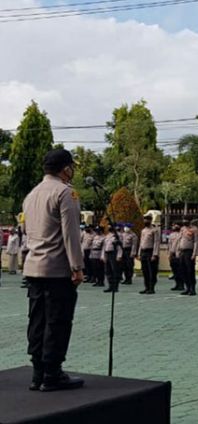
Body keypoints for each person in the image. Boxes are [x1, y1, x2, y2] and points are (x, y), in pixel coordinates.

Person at [23, 148, 84, 392]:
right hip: (57, 268)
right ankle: (52, 372)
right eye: (72, 167)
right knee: (58, 321)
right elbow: (71, 234)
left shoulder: (31, 194)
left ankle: (37, 372)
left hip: (34, 266)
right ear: (65, 169)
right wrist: (77, 267)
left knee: (37, 320)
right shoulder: (65, 193)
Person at [138, 215, 160, 295]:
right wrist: (139, 253)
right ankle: (146, 287)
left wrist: (155, 254)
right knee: (145, 271)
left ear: (150, 220)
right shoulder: (143, 230)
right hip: (143, 252)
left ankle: (151, 288)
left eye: (147, 220)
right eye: (144, 220)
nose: (145, 221)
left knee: (152, 271)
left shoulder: (155, 230)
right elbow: (141, 242)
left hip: (150, 252)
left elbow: (156, 243)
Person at [177, 220, 198, 296]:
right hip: (182, 252)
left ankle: (192, 289)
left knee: (190, 271)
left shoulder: (194, 229)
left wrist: (194, 254)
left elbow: (196, 242)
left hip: (189, 252)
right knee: (183, 271)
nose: (184, 222)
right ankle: (187, 288)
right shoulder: (182, 229)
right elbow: (179, 240)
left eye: (186, 220)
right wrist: (178, 251)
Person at [101, 224, 123, 293]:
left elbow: (120, 247)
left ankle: (115, 287)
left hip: (114, 253)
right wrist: (103, 256)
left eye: (110, 226)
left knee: (115, 270)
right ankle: (110, 286)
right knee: (108, 271)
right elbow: (104, 247)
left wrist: (119, 255)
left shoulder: (118, 235)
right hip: (107, 253)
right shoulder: (107, 236)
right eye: (108, 226)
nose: (109, 228)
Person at [168, 223, 183, 291]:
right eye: (173, 225)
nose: (174, 226)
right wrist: (170, 254)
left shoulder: (182, 234)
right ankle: (177, 284)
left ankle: (181, 285)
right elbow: (170, 245)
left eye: (175, 225)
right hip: (173, 254)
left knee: (180, 270)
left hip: (179, 254)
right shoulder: (171, 235)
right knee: (174, 270)